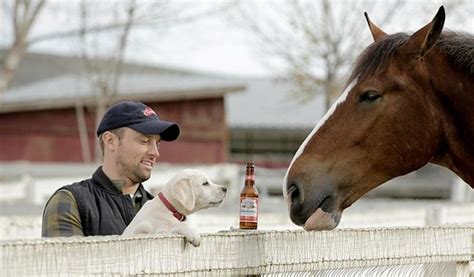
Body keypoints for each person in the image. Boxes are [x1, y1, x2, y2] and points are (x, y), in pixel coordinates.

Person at [41, 101, 180, 237]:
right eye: (144, 141)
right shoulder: (70, 202)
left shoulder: (161, 210)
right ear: (110, 141)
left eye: (157, 144)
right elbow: (65, 259)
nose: (155, 152)